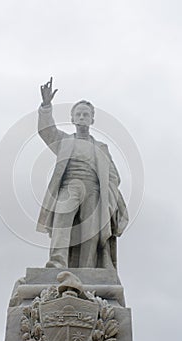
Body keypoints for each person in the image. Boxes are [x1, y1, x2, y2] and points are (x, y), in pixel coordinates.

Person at [36, 77, 128, 269]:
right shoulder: (64, 140)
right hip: (70, 186)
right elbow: (47, 131)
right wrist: (46, 107)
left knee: (91, 231)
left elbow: (113, 176)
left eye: (86, 114)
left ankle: (88, 269)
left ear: (92, 119)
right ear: (72, 119)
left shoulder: (101, 147)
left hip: (94, 190)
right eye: (78, 114)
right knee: (62, 221)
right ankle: (57, 263)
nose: (82, 117)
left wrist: (109, 196)